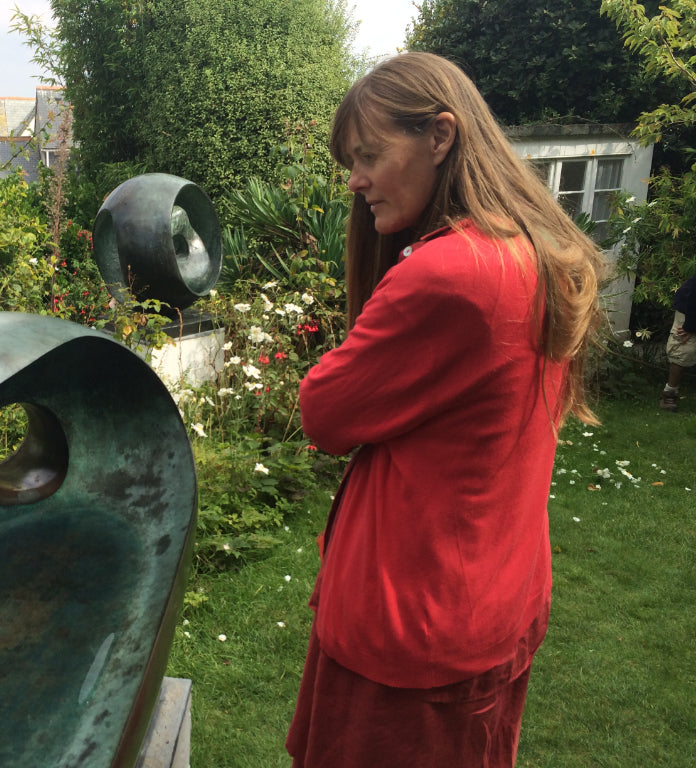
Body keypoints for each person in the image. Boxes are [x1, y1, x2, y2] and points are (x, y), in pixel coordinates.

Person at [286, 53, 606, 768]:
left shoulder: (451, 272)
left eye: (369, 155)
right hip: (492, 594)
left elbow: (325, 413)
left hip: (414, 622)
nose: (355, 179)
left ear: (440, 135)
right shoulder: (529, 249)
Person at [659, 273, 696, 411]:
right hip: (689, 310)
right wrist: (690, 326)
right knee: (683, 351)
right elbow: (693, 298)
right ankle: (669, 393)